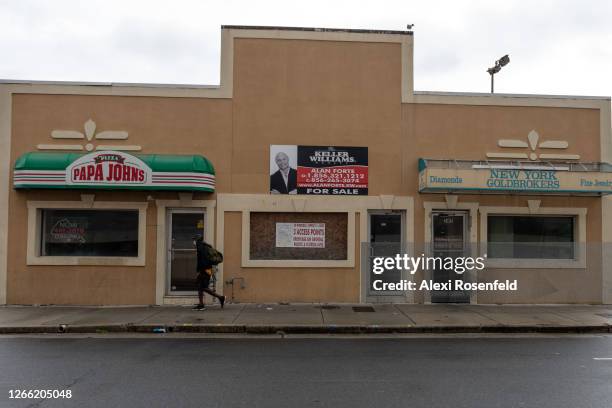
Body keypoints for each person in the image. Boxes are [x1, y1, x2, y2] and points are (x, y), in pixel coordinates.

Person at [193, 235, 225, 310]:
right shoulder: (204, 246)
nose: (193, 241)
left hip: (205, 270)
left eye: (194, 239)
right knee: (200, 286)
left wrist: (199, 271)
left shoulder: (201, 248)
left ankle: (221, 297)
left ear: (197, 240)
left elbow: (202, 261)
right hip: (206, 269)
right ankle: (201, 305)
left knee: (203, 287)